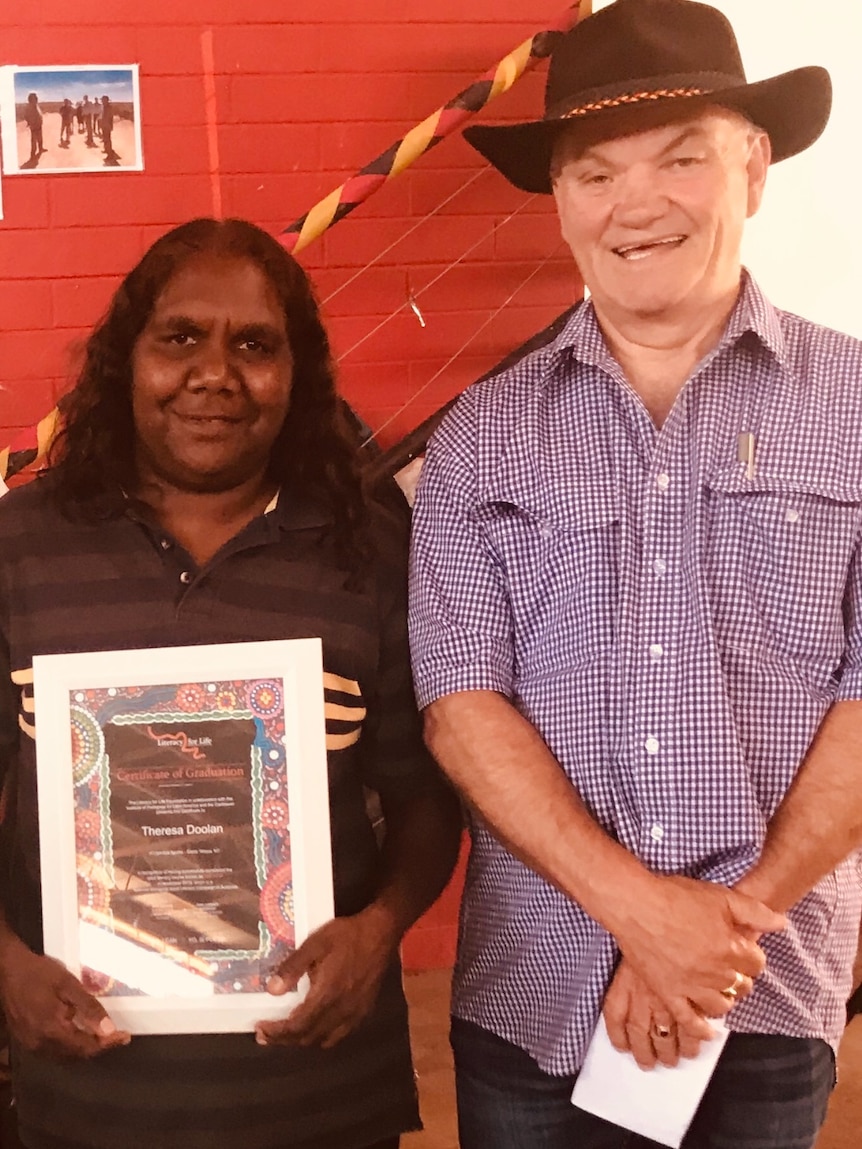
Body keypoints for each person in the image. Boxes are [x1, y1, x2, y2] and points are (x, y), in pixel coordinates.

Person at [408, 2, 862, 1147]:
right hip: (531, 998)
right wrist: (646, 917)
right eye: (595, 171)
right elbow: (461, 707)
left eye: (681, 157)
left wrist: (711, 937)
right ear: (558, 202)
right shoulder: (479, 437)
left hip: (758, 990)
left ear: (753, 169)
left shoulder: (857, 407)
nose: (636, 203)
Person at [0, 217, 461, 1149]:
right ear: (126, 359)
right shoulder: (22, 543)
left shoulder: (368, 549)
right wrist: (0, 963)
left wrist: (382, 928)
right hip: (88, 1090)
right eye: (180, 338)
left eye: (255, 344)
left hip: (316, 1087)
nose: (215, 373)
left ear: (298, 375)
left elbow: (429, 796)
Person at [22, 93, 44, 164]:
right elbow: (25, 116)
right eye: (35, 98)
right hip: (34, 127)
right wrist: (30, 122)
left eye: (36, 98)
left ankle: (41, 149)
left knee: (40, 139)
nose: (37, 99)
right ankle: (32, 155)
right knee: (34, 141)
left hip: (39, 125)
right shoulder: (29, 107)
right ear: (31, 99)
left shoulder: (36, 105)